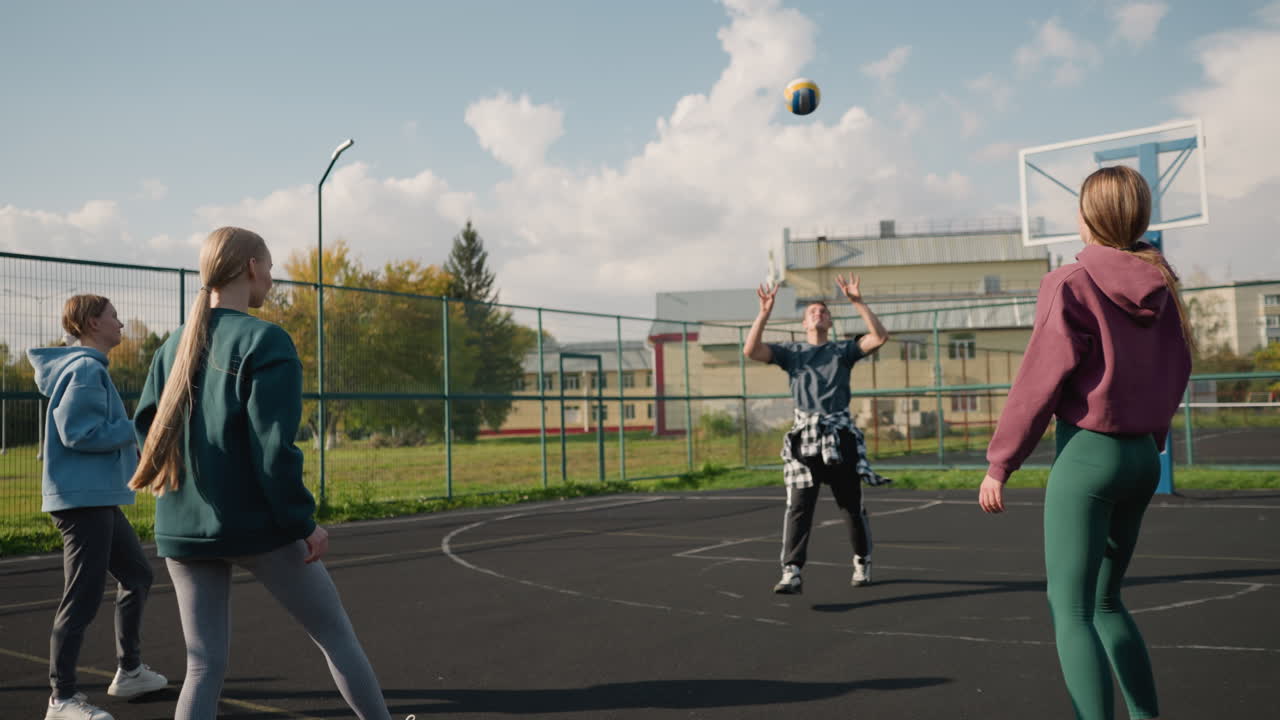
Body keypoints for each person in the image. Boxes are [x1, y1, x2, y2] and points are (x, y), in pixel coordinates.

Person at [130, 227, 391, 720]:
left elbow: (147, 428)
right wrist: (302, 522)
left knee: (203, 666)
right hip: (257, 526)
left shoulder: (171, 346)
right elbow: (274, 451)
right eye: (269, 266)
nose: (271, 277)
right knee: (336, 636)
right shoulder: (265, 341)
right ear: (251, 267)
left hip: (181, 530)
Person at [979, 166, 1193, 720]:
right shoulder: (1162, 285)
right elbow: (1177, 366)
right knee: (1106, 601)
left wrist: (1001, 463)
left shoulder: (1069, 281)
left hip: (1090, 457)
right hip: (1142, 457)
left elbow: (1038, 383)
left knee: (1070, 609)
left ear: (1089, 215)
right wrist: (1152, 437)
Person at [29, 295, 168, 720]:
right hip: (82, 501)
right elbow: (78, 432)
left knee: (137, 574)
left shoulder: (89, 368)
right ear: (93, 323)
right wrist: (137, 428)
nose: (121, 324)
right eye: (114, 317)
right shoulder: (86, 370)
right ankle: (61, 698)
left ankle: (130, 671)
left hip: (97, 498)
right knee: (82, 596)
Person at [743, 274, 891, 594]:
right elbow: (751, 350)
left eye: (823, 311)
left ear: (830, 321)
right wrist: (764, 313)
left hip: (839, 434)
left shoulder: (842, 351)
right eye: (812, 311)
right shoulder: (791, 353)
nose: (818, 313)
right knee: (799, 506)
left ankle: (862, 559)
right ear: (804, 322)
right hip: (804, 437)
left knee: (850, 506)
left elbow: (879, 337)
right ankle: (792, 571)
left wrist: (858, 302)